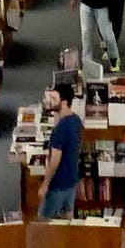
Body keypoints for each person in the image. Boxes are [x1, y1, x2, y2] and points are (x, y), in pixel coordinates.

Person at [39, 84, 82, 219]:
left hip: (58, 185)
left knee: (44, 224)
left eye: (54, 98)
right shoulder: (75, 120)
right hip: (71, 182)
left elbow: (55, 160)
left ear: (63, 102)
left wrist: (45, 184)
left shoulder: (61, 129)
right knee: (66, 222)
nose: (50, 101)